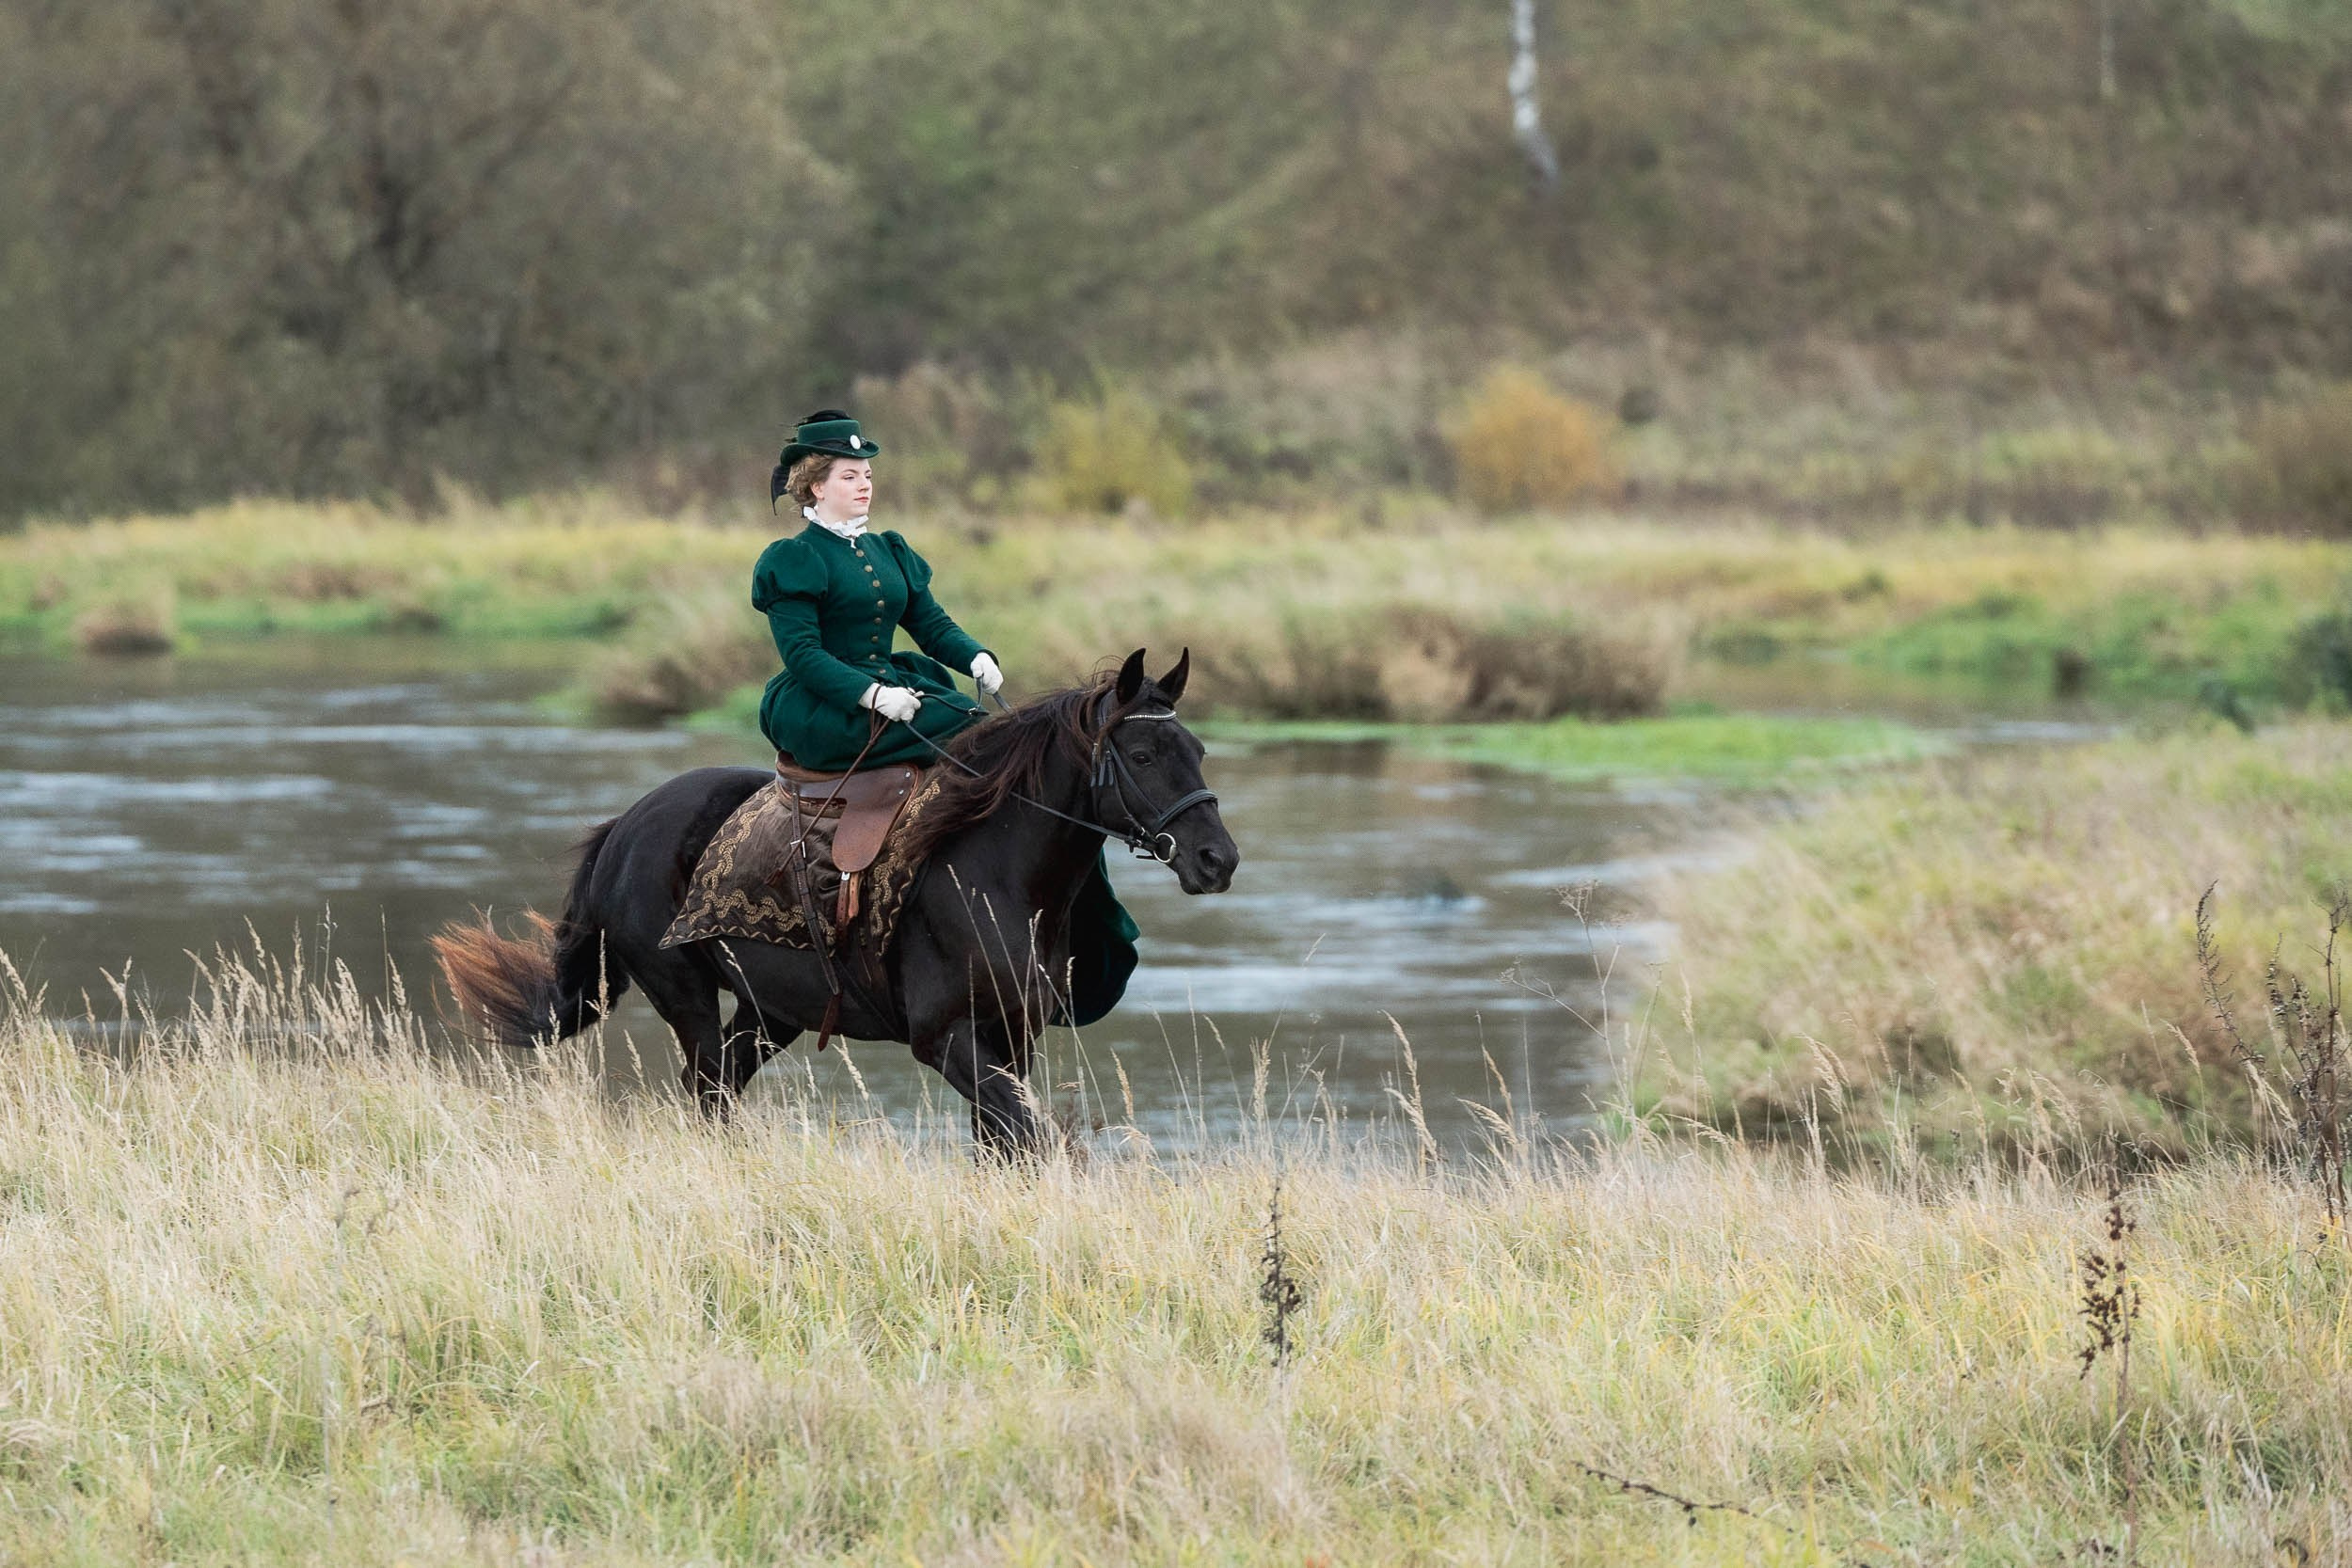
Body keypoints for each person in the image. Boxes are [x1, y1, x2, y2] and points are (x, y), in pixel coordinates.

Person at [752, 409, 1137, 1022]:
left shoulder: (889, 550)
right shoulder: (792, 560)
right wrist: (871, 696)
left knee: (979, 728)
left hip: (897, 686)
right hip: (824, 705)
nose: (866, 484)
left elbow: (930, 624)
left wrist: (975, 655)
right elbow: (803, 656)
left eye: (869, 473)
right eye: (851, 475)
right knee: (981, 740)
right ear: (816, 484)